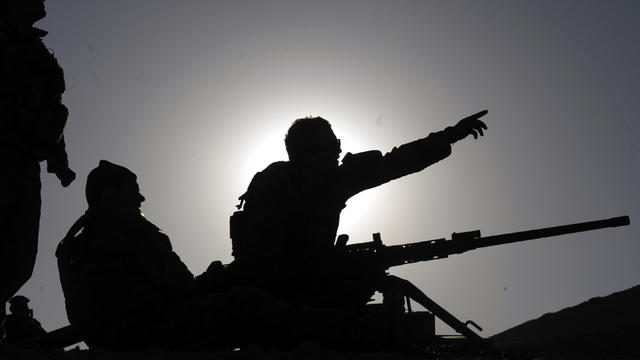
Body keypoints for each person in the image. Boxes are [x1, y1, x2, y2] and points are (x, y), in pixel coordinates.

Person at [56, 161, 363, 350]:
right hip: (146, 332)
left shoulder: (77, 241)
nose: (140, 197)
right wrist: (216, 281)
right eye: (132, 189)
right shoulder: (124, 224)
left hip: (116, 334)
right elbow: (179, 286)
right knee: (246, 302)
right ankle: (354, 332)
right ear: (112, 193)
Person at [229, 111, 488, 305]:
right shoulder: (273, 186)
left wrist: (450, 135)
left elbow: (394, 163)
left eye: (338, 144)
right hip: (269, 292)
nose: (339, 152)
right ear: (306, 155)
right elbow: (268, 257)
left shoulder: (333, 182)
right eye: (331, 148)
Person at [0, 0, 76, 334]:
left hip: (26, 161)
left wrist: (59, 162)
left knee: (18, 260)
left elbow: (50, 108)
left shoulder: (37, 50)